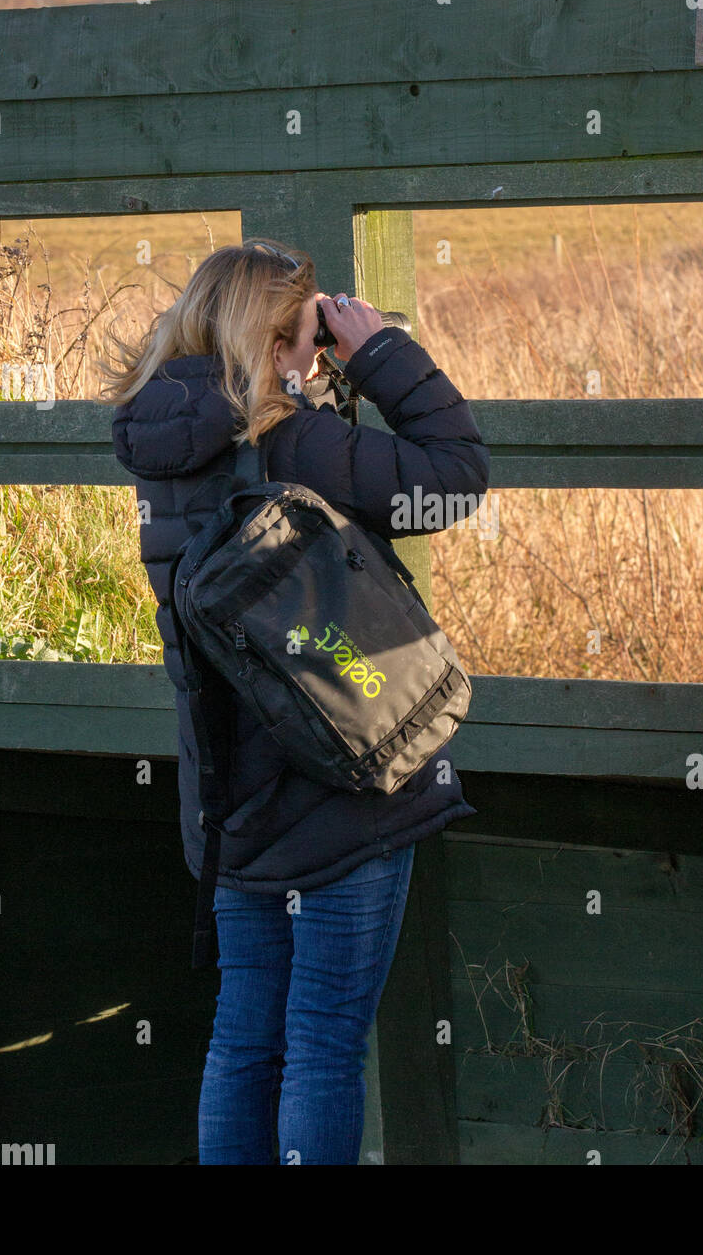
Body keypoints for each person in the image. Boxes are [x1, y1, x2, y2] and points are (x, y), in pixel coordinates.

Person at [101, 237, 490, 1164]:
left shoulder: (163, 450)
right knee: (321, 1044)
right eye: (309, 335)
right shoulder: (296, 440)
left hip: (228, 796)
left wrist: (319, 377)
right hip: (343, 783)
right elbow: (454, 479)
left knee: (245, 1038)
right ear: (281, 340)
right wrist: (382, 356)